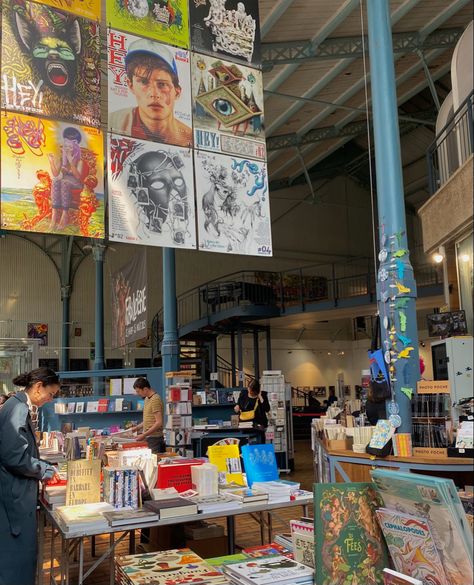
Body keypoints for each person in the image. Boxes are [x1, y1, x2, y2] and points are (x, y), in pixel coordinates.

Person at [0, 367, 60, 585]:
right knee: (16, 560)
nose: (50, 400)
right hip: (14, 497)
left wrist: (41, 464)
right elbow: (14, 456)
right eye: (50, 394)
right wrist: (44, 470)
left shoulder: (15, 406)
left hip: (15, 492)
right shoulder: (17, 409)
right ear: (37, 387)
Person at [110, 39, 192, 147]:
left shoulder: (190, 140)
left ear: (177, 92)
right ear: (130, 85)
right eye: (144, 82)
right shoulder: (113, 122)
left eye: (162, 84)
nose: (154, 94)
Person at [48, 126, 88, 231]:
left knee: (64, 182)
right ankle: (54, 214)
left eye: (70, 147)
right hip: (64, 181)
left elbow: (78, 176)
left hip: (76, 183)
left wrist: (71, 160)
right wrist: (51, 161)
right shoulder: (62, 159)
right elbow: (56, 174)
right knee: (56, 181)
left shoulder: (80, 161)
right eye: (66, 147)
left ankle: (65, 214)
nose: (67, 150)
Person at [129, 377, 165, 454]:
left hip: (155, 439)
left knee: (154, 462)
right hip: (149, 437)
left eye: (138, 391)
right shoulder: (147, 399)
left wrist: (144, 434)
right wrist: (137, 428)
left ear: (145, 389)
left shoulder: (155, 399)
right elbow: (148, 420)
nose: (138, 394)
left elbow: (159, 422)